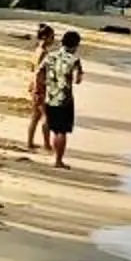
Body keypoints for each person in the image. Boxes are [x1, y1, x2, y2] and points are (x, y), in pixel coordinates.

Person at [40, 29, 84, 168]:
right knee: (61, 131)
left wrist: (42, 88)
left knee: (49, 123)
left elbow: (39, 73)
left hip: (49, 95)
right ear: (75, 45)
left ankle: (47, 146)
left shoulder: (50, 56)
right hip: (64, 98)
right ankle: (58, 160)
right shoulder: (74, 60)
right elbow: (78, 80)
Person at [23, 24, 55, 153]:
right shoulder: (44, 53)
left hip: (34, 85)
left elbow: (32, 68)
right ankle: (47, 144)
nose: (53, 40)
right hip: (40, 87)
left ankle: (30, 142)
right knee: (46, 117)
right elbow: (39, 72)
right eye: (52, 37)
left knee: (35, 115)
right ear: (46, 37)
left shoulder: (37, 50)